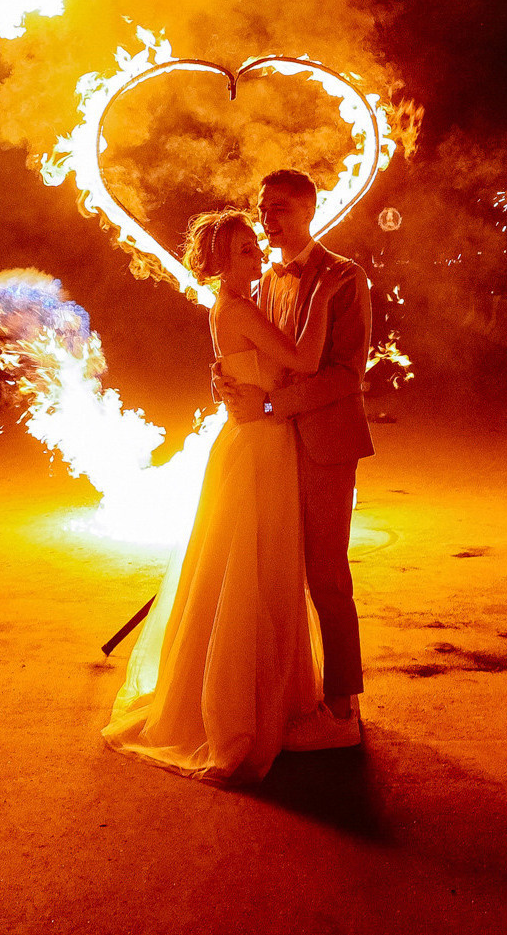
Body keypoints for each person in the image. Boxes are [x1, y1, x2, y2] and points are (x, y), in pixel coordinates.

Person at [105, 208, 355, 781]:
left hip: (257, 439)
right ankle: (241, 707)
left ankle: (260, 696)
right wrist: (322, 299)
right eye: (245, 250)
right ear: (221, 261)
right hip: (258, 446)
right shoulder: (238, 306)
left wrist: (225, 377)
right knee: (250, 571)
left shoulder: (240, 302)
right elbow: (304, 360)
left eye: (254, 246)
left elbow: (247, 364)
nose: (257, 254)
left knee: (252, 570)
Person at [214, 169, 375, 736]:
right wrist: (228, 376)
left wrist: (269, 405)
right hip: (273, 445)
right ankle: (283, 692)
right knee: (274, 572)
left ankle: (342, 700)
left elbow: (346, 374)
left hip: (325, 444)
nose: (267, 219)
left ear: (309, 210)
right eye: (263, 208)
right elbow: (266, 355)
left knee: (326, 574)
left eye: (279, 208)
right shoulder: (261, 282)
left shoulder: (345, 277)